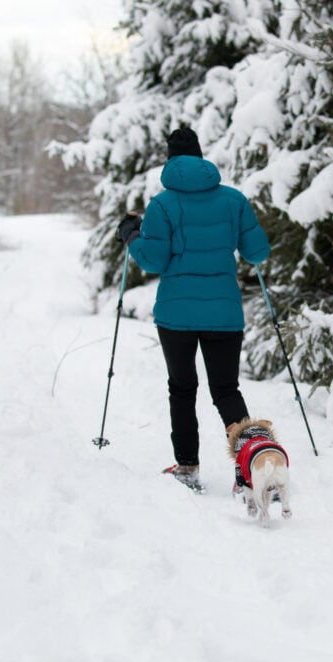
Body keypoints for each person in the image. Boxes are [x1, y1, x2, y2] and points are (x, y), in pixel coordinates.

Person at [118, 126, 270, 491]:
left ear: (169, 160)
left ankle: (188, 469)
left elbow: (153, 260)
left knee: (182, 389)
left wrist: (131, 236)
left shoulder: (161, 205)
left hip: (176, 316)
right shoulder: (233, 200)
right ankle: (250, 469)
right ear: (201, 158)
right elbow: (257, 252)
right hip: (224, 313)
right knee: (226, 390)